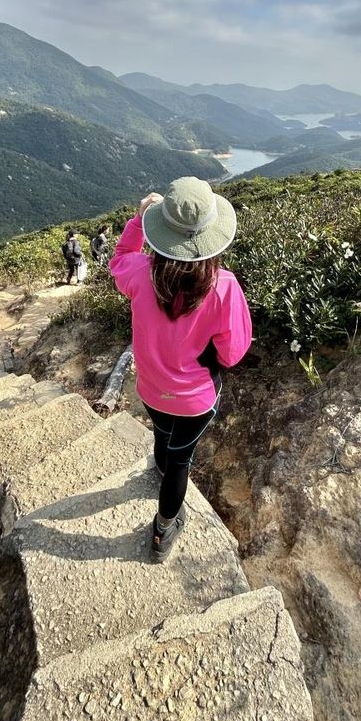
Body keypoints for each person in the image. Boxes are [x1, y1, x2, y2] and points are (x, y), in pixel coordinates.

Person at [109, 177, 252, 562]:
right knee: (181, 460)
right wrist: (209, 357)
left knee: (162, 431)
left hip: (151, 388)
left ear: (162, 231)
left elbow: (119, 259)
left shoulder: (140, 274)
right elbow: (233, 353)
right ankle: (163, 529)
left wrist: (138, 220)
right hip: (194, 400)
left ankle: (160, 465)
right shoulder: (223, 287)